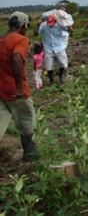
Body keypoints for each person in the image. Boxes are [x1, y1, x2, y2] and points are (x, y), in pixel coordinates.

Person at [0, 12, 38, 162]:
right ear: (23, 25)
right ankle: (30, 153)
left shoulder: (1, 39)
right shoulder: (21, 40)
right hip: (14, 91)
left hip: (1, 89)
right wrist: (19, 87)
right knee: (27, 120)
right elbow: (16, 58)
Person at [35, 14, 73, 84]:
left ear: (55, 21)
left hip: (59, 47)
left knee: (63, 64)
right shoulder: (43, 25)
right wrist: (38, 25)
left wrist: (67, 23)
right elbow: (36, 33)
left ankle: (61, 77)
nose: (50, 25)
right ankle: (51, 81)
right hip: (48, 48)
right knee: (49, 66)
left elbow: (71, 30)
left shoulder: (60, 24)